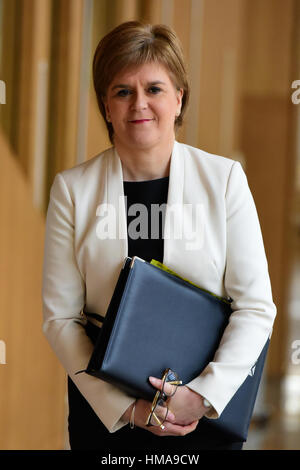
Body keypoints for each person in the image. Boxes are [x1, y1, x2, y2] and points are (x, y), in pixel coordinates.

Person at [42, 21, 277, 451]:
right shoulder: (72, 190)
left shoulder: (224, 180)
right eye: (122, 91)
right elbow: (61, 319)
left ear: (178, 98)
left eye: (154, 89)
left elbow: (256, 306)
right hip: (108, 416)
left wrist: (200, 397)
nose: (139, 105)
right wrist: (126, 410)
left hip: (203, 411)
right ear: (105, 105)